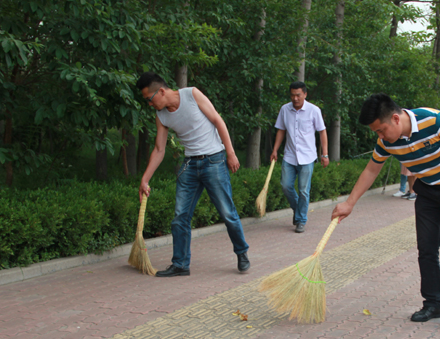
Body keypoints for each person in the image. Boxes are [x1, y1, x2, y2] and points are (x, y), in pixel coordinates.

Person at [331, 94, 440, 333]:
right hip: (428, 191)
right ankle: (432, 304)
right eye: (376, 133)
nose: (380, 137)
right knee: (426, 248)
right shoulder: (386, 142)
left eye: (381, 130)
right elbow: (372, 169)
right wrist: (349, 203)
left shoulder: (435, 120)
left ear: (395, 118)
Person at [136, 72, 250, 277]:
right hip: (190, 165)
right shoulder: (161, 116)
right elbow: (159, 149)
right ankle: (180, 264)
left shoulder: (191, 95)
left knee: (227, 212)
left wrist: (231, 153)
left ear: (161, 91)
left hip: (214, 161)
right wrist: (145, 179)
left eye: (149, 99)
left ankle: (242, 252)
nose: (150, 104)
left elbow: (217, 120)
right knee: (180, 216)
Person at [271, 81, 329, 233]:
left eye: (298, 95)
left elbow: (322, 132)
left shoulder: (314, 110)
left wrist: (325, 154)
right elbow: (281, 130)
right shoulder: (285, 109)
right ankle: (298, 210)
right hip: (289, 156)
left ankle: (301, 220)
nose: (295, 98)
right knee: (285, 186)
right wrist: (275, 150)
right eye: (292, 95)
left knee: (304, 190)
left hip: (307, 157)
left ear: (305, 94)